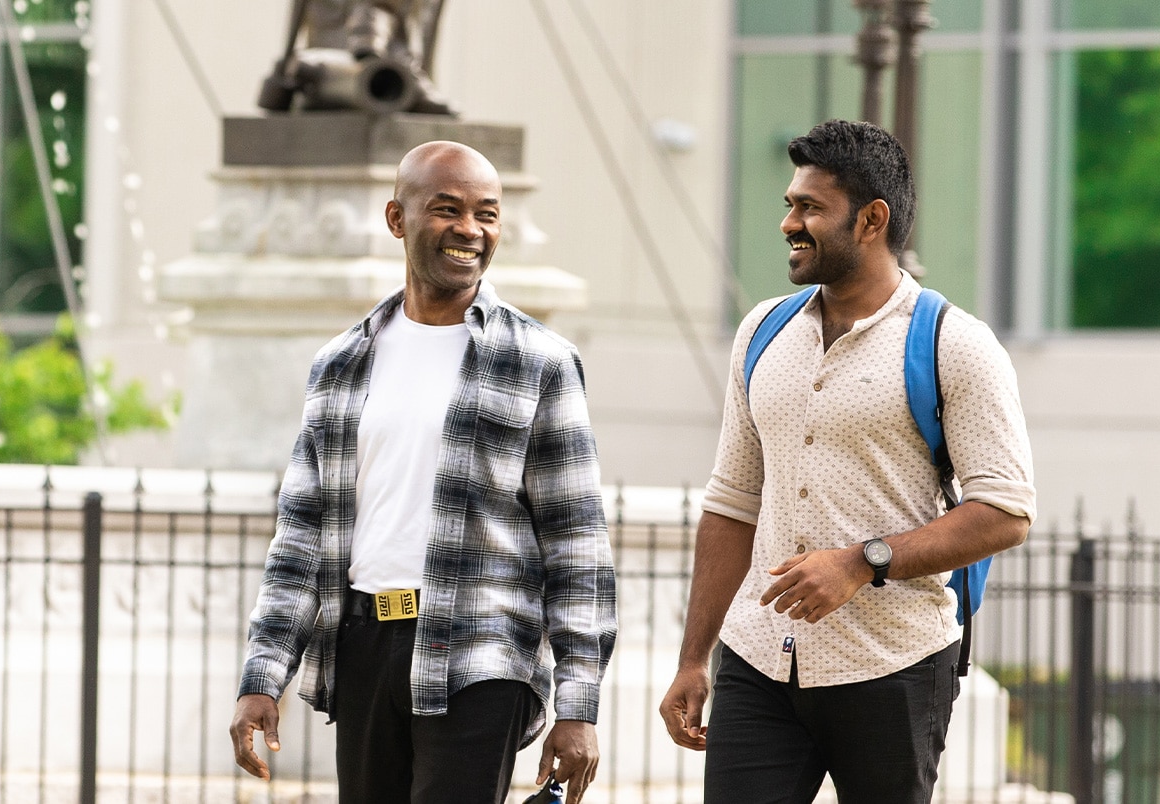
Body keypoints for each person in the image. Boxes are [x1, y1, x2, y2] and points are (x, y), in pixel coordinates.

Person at [657, 119, 1035, 804]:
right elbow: (732, 501)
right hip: (757, 658)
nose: (789, 223)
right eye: (789, 204)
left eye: (810, 208)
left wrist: (864, 561)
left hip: (894, 666)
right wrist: (692, 658)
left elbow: (1006, 512)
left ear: (871, 220)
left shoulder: (955, 343)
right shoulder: (763, 330)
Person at [229, 141, 614, 804]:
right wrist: (262, 677)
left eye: (487, 214)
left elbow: (576, 541)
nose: (471, 229)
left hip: (481, 654)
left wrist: (579, 704)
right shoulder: (342, 363)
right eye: (447, 209)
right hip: (364, 644)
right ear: (396, 218)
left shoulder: (539, 361)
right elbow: (299, 535)